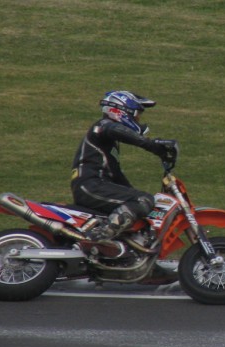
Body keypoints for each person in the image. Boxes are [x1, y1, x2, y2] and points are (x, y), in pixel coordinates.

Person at [71, 90, 178, 240]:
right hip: (91, 186)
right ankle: (99, 237)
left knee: (141, 200)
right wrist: (151, 145)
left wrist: (135, 197)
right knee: (143, 200)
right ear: (120, 111)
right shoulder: (103, 126)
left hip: (95, 186)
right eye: (136, 115)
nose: (138, 119)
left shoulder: (109, 142)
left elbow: (117, 175)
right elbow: (115, 129)